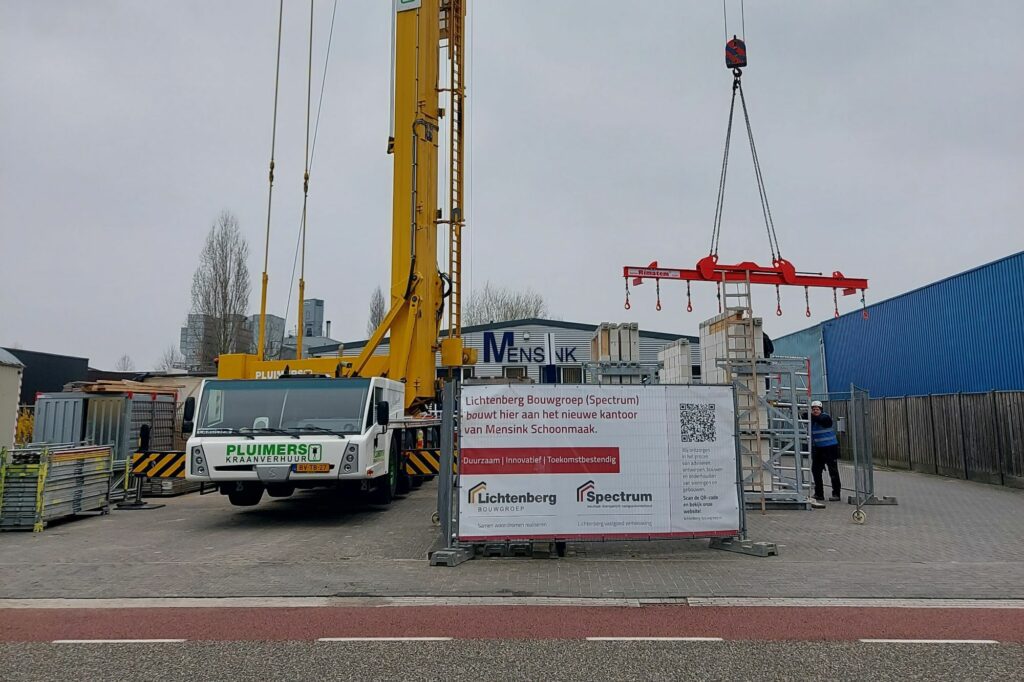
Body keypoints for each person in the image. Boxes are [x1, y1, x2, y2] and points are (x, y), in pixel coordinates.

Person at [810, 400, 842, 503]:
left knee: (833, 472)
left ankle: (836, 494)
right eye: (813, 409)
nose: (815, 411)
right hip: (819, 449)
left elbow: (821, 420)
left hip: (830, 448)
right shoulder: (813, 421)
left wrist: (808, 414)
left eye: (817, 409)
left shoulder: (825, 417)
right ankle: (819, 494)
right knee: (816, 471)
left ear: (821, 410)